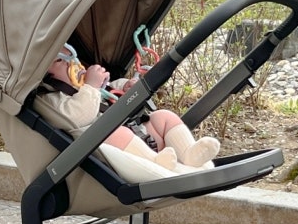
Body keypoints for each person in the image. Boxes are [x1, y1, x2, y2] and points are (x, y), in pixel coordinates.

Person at [35, 44, 221, 171]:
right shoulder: (52, 99)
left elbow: (111, 89)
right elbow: (79, 116)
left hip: (138, 132)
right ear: (44, 75)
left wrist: (125, 87)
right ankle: (156, 164)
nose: (71, 62)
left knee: (164, 116)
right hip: (115, 147)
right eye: (60, 60)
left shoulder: (87, 84)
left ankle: (188, 154)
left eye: (72, 56)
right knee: (116, 133)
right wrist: (91, 86)